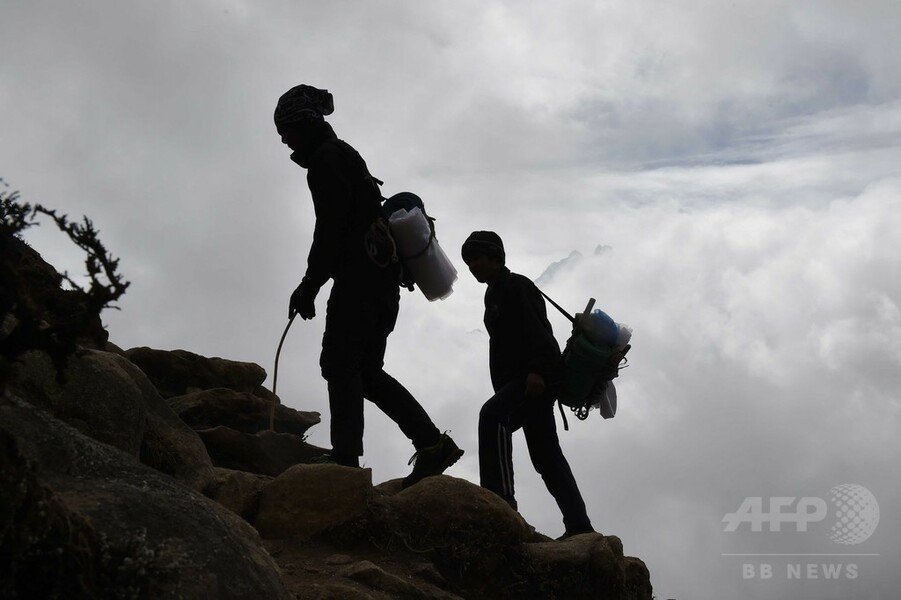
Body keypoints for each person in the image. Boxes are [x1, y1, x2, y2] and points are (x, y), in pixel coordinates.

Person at [273, 84, 462, 487]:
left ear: (305, 124)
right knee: (366, 371)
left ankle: (345, 460)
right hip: (383, 282)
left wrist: (309, 284)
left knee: (339, 363)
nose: (285, 140)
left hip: (359, 282)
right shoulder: (345, 155)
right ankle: (431, 443)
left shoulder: (326, 160)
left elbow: (331, 229)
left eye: (287, 130)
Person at [461, 231, 594, 538]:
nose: (472, 267)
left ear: (495, 256)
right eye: (468, 262)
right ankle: (580, 525)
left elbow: (540, 333)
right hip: (524, 381)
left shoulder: (517, 286)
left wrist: (537, 372)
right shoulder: (494, 293)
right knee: (547, 456)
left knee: (492, 416)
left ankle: (500, 499)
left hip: (532, 380)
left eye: (477, 258)